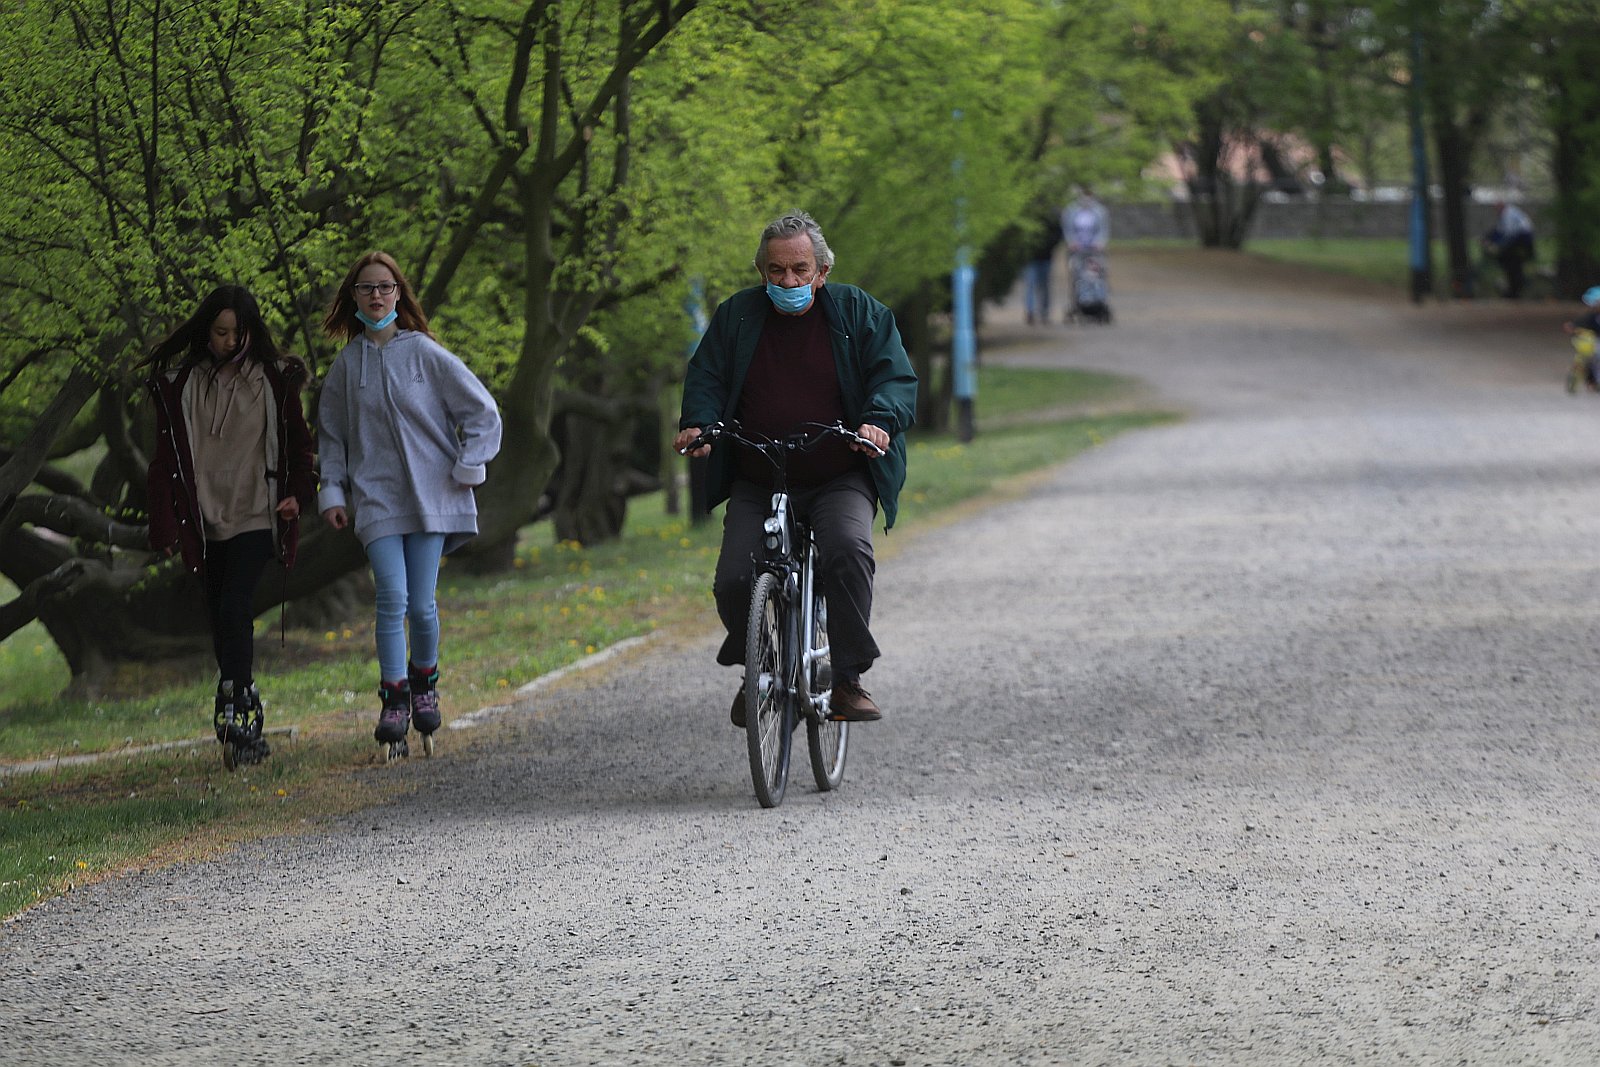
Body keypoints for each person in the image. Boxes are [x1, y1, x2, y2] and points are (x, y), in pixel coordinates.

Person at [675, 211, 918, 725]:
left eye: (800, 270)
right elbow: (707, 377)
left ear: (822, 271)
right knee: (734, 578)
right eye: (776, 271)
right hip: (759, 473)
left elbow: (893, 378)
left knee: (847, 549)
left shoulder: (858, 311)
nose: (788, 282)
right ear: (761, 271)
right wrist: (698, 423)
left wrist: (878, 421)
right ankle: (761, 667)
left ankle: (847, 679)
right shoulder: (737, 316)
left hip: (839, 471)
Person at [317, 251, 502, 749]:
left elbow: (483, 412)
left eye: (385, 286)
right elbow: (331, 437)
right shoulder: (345, 367)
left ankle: (425, 686)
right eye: (366, 288)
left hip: (431, 497)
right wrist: (332, 491)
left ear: (398, 293)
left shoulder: (424, 353)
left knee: (421, 606)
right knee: (391, 598)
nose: (376, 295)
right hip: (375, 499)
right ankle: (394, 697)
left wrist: (468, 465)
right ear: (353, 297)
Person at [145, 285, 317, 765]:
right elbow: (164, 462)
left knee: (236, 603)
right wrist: (163, 527)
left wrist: (297, 494)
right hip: (203, 520)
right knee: (220, 614)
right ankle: (245, 698)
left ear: (251, 332)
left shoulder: (274, 380)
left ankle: (234, 705)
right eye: (220, 332)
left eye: (238, 332)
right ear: (206, 330)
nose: (229, 341)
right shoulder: (180, 385)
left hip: (257, 512)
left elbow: (300, 447)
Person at [1061, 185, 1111, 321]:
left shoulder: (1100, 211)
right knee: (1078, 277)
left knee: (1096, 276)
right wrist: (1072, 242)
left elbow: (1103, 229)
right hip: (1078, 251)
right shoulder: (1071, 211)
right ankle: (1080, 303)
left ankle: (1098, 303)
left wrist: (1099, 242)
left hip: (1094, 251)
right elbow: (1068, 228)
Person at [1483, 200, 1536, 299]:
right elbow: (1500, 230)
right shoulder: (1508, 213)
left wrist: (1497, 245)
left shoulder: (1508, 214)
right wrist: (1489, 238)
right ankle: (1514, 286)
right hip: (1520, 238)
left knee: (1508, 259)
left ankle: (1515, 288)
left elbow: (1508, 234)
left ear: (1502, 206)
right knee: (1509, 261)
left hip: (1523, 238)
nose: (1496, 211)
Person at [1022, 210, 1061, 326]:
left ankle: (1044, 312)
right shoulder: (1029, 216)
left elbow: (1057, 234)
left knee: (1044, 286)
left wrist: (1048, 246)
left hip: (1046, 257)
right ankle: (1030, 311)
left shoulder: (1050, 218)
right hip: (1030, 258)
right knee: (1031, 284)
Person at [1562, 285, 1600, 390]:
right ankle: (1591, 381)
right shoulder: (1592, 315)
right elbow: (1578, 323)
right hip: (1593, 342)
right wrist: (1572, 327)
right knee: (1588, 358)